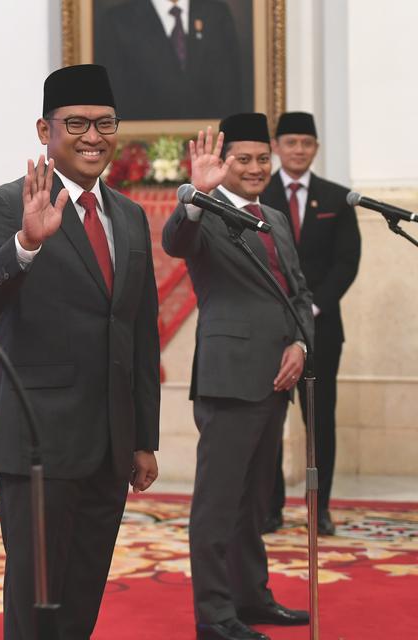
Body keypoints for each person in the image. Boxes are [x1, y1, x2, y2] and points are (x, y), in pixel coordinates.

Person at [0, 64, 161, 639]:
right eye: (76, 124)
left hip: (110, 446)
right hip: (39, 444)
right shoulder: (1, 205)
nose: (93, 137)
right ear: (45, 130)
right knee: (35, 605)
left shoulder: (132, 216)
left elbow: (140, 333)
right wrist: (24, 245)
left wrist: (144, 437)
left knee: (81, 599)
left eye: (105, 123)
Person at [161, 114, 313, 640]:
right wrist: (193, 196)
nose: (253, 169)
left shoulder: (273, 214)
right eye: (241, 160)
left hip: (278, 379)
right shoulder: (203, 211)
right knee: (218, 505)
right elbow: (176, 242)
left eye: (260, 160)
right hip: (229, 380)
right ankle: (215, 615)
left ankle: (251, 597)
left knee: (255, 504)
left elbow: (298, 293)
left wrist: (299, 345)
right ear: (222, 164)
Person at [260, 111, 361, 536]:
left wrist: (312, 307)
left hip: (322, 328)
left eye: (306, 143)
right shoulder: (258, 195)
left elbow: (346, 263)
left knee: (320, 421)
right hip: (269, 329)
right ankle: (269, 508)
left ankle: (319, 509)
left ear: (316, 148)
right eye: (291, 142)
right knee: (265, 422)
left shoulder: (337, 199)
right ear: (278, 148)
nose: (299, 149)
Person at [94, 0, 246, 120]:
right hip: (141, 147)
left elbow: (232, 92)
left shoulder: (217, 15)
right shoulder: (118, 21)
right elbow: (115, 97)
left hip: (212, 144)